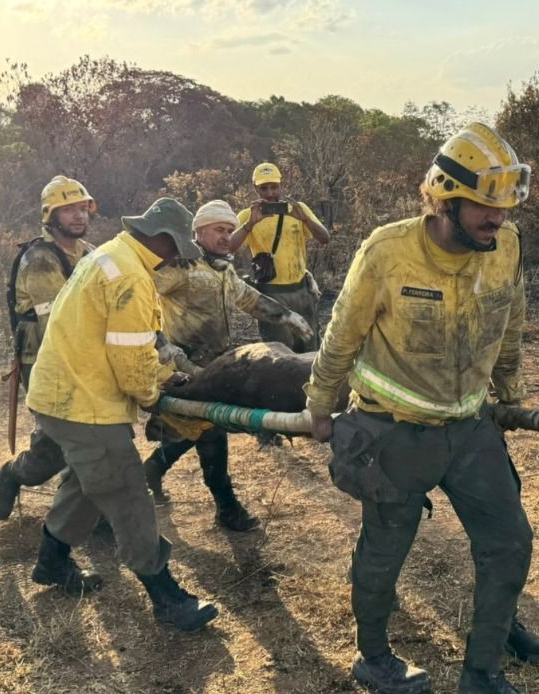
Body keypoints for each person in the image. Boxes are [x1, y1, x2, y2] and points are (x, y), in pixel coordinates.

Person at [304, 123, 539, 694]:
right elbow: (341, 334)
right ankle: (373, 657)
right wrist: (320, 403)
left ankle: (484, 664)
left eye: (505, 207)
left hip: (470, 427)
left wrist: (510, 390)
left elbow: (510, 321)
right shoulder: (387, 252)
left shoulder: (507, 246)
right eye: (485, 207)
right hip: (393, 432)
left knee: (509, 540)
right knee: (385, 549)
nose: (498, 219)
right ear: (444, 200)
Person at [24, 197, 219, 632]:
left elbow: (124, 344)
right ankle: (167, 597)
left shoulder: (112, 255)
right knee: (128, 491)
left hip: (61, 394)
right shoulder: (130, 276)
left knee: (88, 484)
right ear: (163, 240)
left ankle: (52, 562)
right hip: (83, 402)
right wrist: (154, 393)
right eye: (177, 249)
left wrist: (162, 374)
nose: (176, 258)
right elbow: (131, 363)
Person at [144, 200, 313, 531]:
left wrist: (287, 316)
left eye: (229, 230)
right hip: (184, 363)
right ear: (198, 232)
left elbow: (248, 298)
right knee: (211, 433)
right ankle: (227, 507)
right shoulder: (181, 267)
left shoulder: (223, 269)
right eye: (218, 230)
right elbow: (142, 299)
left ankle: (152, 470)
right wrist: (162, 344)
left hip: (216, 363)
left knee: (196, 427)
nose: (226, 236)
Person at [0, 175, 96, 521]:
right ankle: (13, 473)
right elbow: (59, 325)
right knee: (52, 452)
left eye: (83, 208)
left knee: (94, 438)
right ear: (51, 215)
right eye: (69, 210)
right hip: (47, 362)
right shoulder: (40, 260)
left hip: (86, 359)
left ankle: (92, 515)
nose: (79, 215)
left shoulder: (90, 253)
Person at [229, 162, 330, 352]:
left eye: (274, 187)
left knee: (310, 349)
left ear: (281, 186)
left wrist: (305, 219)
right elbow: (229, 248)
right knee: (280, 352)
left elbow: (325, 238)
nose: (270, 193)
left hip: (301, 290)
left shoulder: (298, 210)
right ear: (255, 188)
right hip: (270, 293)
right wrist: (250, 224)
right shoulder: (247, 215)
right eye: (264, 188)